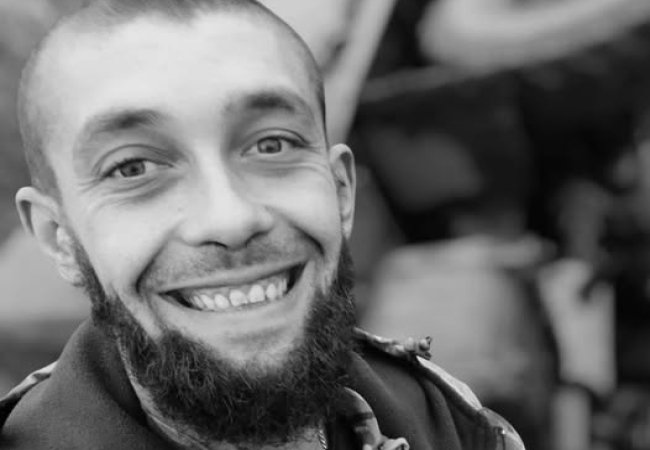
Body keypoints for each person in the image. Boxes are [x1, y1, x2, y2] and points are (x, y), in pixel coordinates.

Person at [0, 1, 525, 449]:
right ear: (59, 238)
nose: (231, 219)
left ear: (340, 191)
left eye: (272, 145)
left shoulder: (449, 421)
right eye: (132, 168)